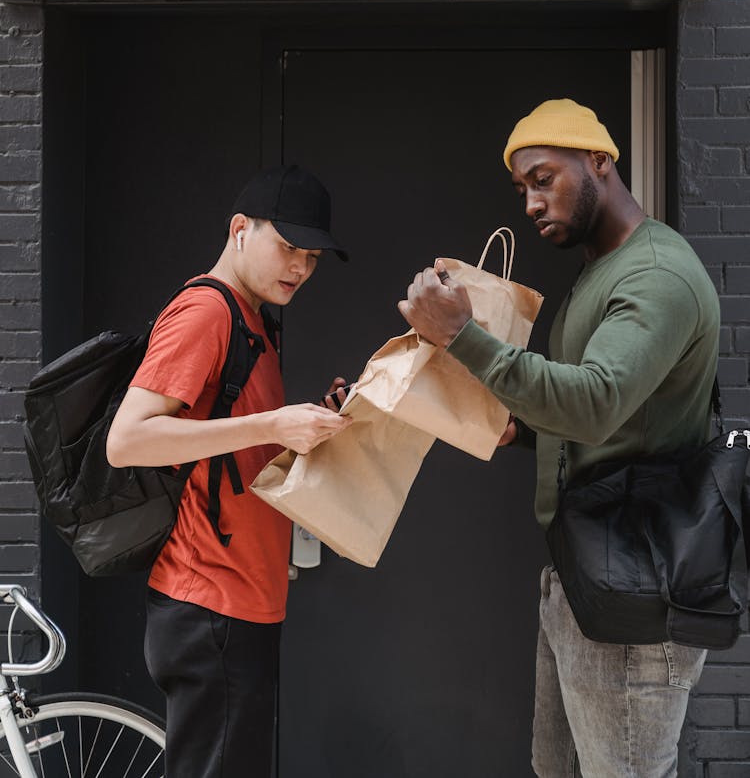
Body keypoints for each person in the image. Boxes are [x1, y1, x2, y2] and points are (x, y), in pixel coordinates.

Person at [398, 99, 720, 778]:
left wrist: (463, 334)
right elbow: (601, 422)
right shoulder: (603, 272)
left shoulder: (655, 274)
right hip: (586, 576)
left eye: (544, 178)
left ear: (599, 160)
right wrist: (512, 427)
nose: (532, 202)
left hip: (634, 589)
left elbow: (597, 402)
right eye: (522, 189)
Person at [106, 164, 352, 778]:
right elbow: (128, 439)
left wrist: (312, 423)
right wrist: (273, 426)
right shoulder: (207, 314)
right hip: (209, 602)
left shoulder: (255, 320)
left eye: (313, 256)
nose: (300, 266)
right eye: (288, 246)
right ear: (240, 229)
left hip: (241, 602)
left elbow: (237, 451)